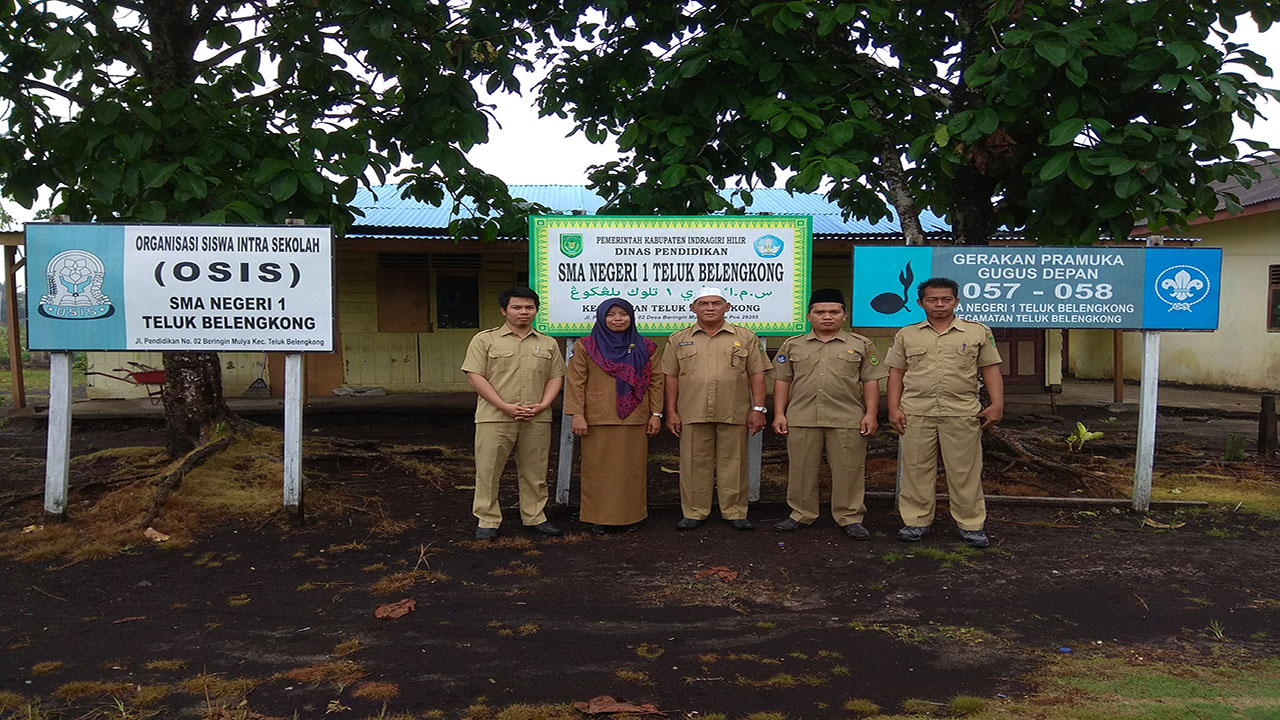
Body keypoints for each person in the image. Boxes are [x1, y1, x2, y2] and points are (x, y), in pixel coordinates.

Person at [885, 277, 1004, 548]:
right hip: (916, 412)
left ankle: (971, 525)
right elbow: (896, 373)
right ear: (920, 303)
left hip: (962, 412)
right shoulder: (907, 334)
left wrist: (997, 404)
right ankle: (915, 522)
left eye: (946, 299)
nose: (939, 304)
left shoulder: (977, 332)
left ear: (956, 301)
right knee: (916, 470)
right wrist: (893, 407)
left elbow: (991, 369)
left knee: (965, 471)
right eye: (932, 299)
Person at [771, 289, 887, 539]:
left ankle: (850, 516)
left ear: (844, 316)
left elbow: (870, 381)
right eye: (820, 312)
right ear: (809, 316)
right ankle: (801, 514)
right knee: (801, 468)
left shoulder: (861, 345)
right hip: (801, 417)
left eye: (834, 312)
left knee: (849, 469)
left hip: (847, 417)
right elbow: (782, 380)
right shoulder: (793, 344)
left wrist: (871, 413)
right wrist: (779, 413)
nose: (827, 317)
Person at [461, 286, 565, 540]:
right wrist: (504, 405)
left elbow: (556, 377)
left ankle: (535, 516)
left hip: (536, 417)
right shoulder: (485, 340)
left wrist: (543, 404)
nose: (524, 312)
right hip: (495, 416)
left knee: (536, 470)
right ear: (503, 310)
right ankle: (487, 519)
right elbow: (475, 377)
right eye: (517, 307)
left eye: (529, 307)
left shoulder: (548, 343)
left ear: (536, 311)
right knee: (488, 470)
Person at [661, 287, 769, 530]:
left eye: (716, 303)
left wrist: (758, 409)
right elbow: (670, 378)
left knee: (734, 462)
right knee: (693, 462)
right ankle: (694, 512)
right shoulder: (677, 339)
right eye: (704, 303)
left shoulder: (746, 337)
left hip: (735, 411)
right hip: (692, 410)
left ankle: (735, 512)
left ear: (727, 307)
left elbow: (757, 375)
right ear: (692, 308)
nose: (710, 308)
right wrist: (671, 412)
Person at [564, 298, 664, 533]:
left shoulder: (645, 347)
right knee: (598, 470)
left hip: (635, 415)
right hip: (597, 417)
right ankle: (600, 517)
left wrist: (656, 413)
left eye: (623, 314)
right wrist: (577, 414)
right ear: (601, 318)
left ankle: (632, 516)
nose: (617, 319)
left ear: (631, 317)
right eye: (611, 314)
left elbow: (655, 382)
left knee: (632, 469)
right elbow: (576, 382)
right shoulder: (586, 346)